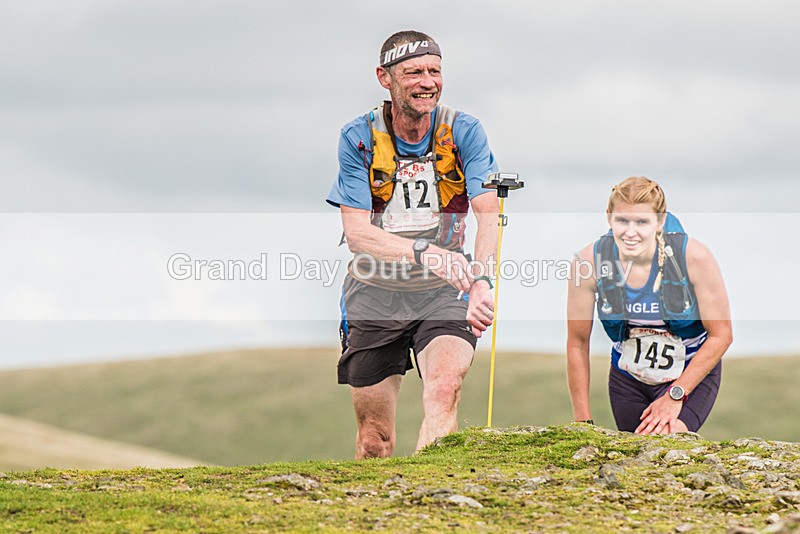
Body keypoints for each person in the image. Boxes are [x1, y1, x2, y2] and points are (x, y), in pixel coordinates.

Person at [327, 30, 500, 458]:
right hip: (375, 289)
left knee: (444, 390)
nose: (427, 81)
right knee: (375, 439)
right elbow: (357, 235)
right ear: (385, 78)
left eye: (435, 71)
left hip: (444, 290)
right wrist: (424, 251)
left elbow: (488, 212)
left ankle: (432, 507)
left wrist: (481, 281)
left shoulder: (464, 131)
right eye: (414, 72)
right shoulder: (359, 137)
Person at [567, 177, 732, 434]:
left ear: (660, 221)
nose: (630, 232)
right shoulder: (587, 263)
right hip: (628, 380)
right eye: (622, 220)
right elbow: (577, 343)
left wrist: (675, 395)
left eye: (642, 222)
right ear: (609, 217)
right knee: (635, 460)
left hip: (689, 373)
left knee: (668, 439)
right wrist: (582, 423)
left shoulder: (695, 257)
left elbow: (722, 335)